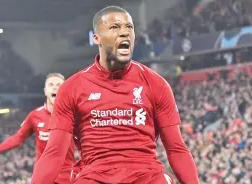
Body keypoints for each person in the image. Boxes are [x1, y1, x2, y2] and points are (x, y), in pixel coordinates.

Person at [31, 6, 199, 184]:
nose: (125, 33)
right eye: (115, 27)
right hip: (94, 177)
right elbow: (55, 154)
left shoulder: (156, 84)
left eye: (129, 27)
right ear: (97, 38)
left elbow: (176, 148)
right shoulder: (72, 87)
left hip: (147, 176)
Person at [0, 73, 76, 184]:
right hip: (42, 177)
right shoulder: (35, 115)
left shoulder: (74, 114)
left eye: (59, 85)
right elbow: (18, 138)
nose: (55, 87)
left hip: (66, 177)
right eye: (51, 85)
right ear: (45, 91)